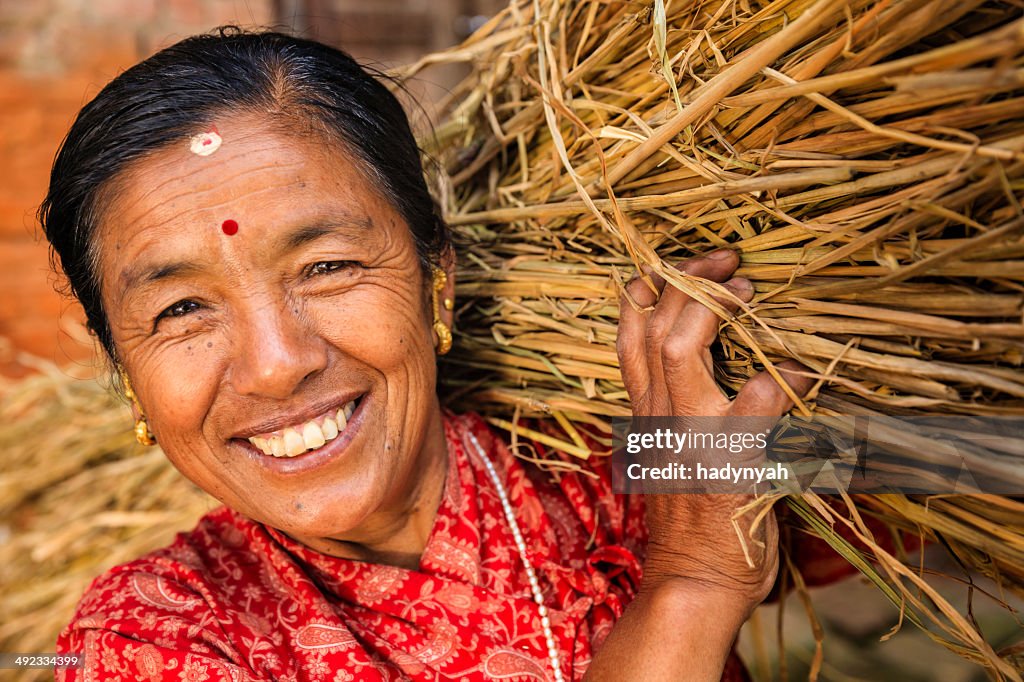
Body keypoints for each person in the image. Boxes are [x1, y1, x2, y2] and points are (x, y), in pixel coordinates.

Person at [42, 29, 812, 681]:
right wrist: (694, 582)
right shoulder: (148, 640)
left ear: (436, 282)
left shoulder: (609, 459)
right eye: (181, 310)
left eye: (328, 266)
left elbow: (921, 461)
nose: (277, 363)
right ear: (129, 383)